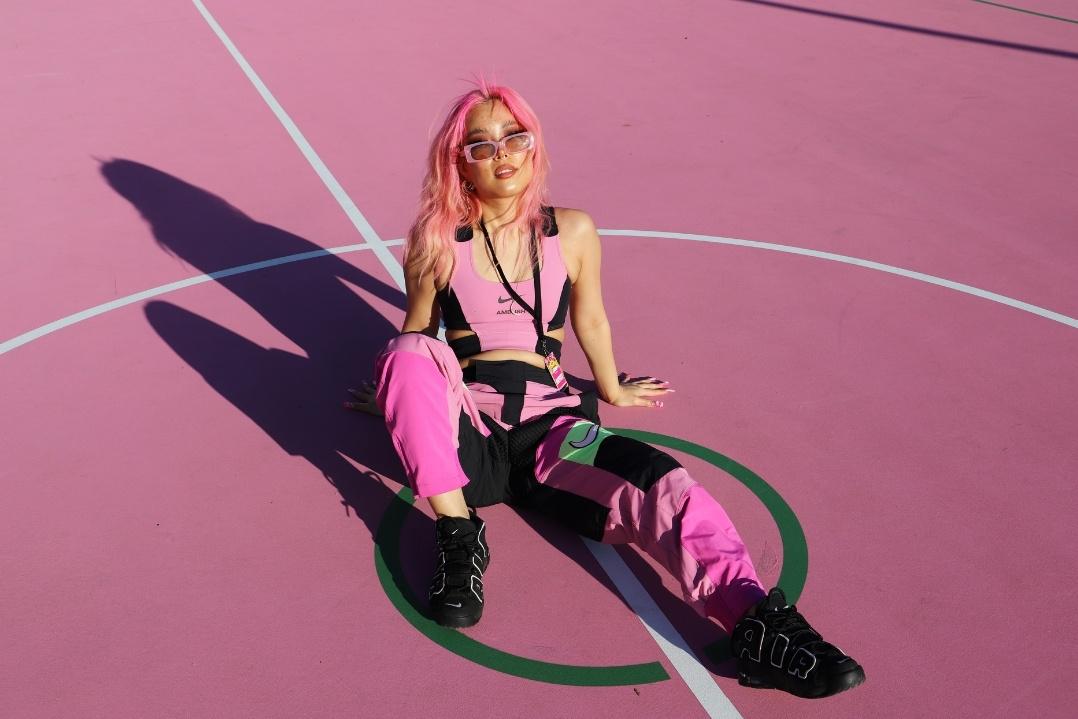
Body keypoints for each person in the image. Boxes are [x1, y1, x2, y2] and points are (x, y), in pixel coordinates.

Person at [346, 82, 865, 699]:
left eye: (515, 137)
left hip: (554, 430)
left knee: (663, 483)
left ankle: (759, 627)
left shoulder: (573, 230)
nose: (502, 153)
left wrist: (612, 387)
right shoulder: (435, 242)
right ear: (459, 159)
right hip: (472, 430)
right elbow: (418, 334)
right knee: (403, 354)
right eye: (480, 145)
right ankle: (459, 538)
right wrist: (397, 395)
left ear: (534, 146)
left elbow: (589, 317)